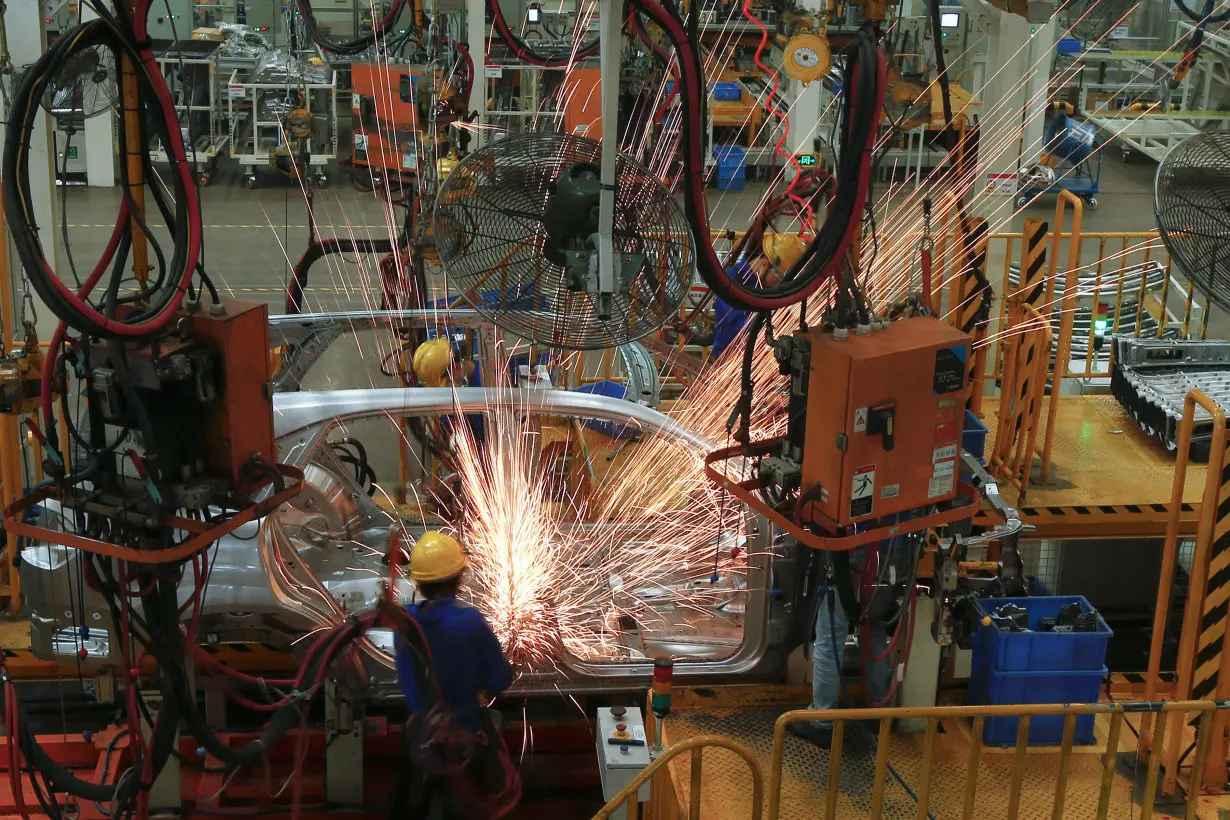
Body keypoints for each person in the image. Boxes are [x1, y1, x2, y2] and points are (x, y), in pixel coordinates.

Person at [392, 531, 517, 818]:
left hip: (421, 741)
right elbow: (499, 681)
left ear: (418, 582)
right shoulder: (470, 623)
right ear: (459, 578)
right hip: (465, 739)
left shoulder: (405, 622)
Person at [790, 546, 891, 749]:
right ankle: (880, 714)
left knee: (829, 642)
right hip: (887, 564)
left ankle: (822, 721)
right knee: (875, 636)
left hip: (847, 561)